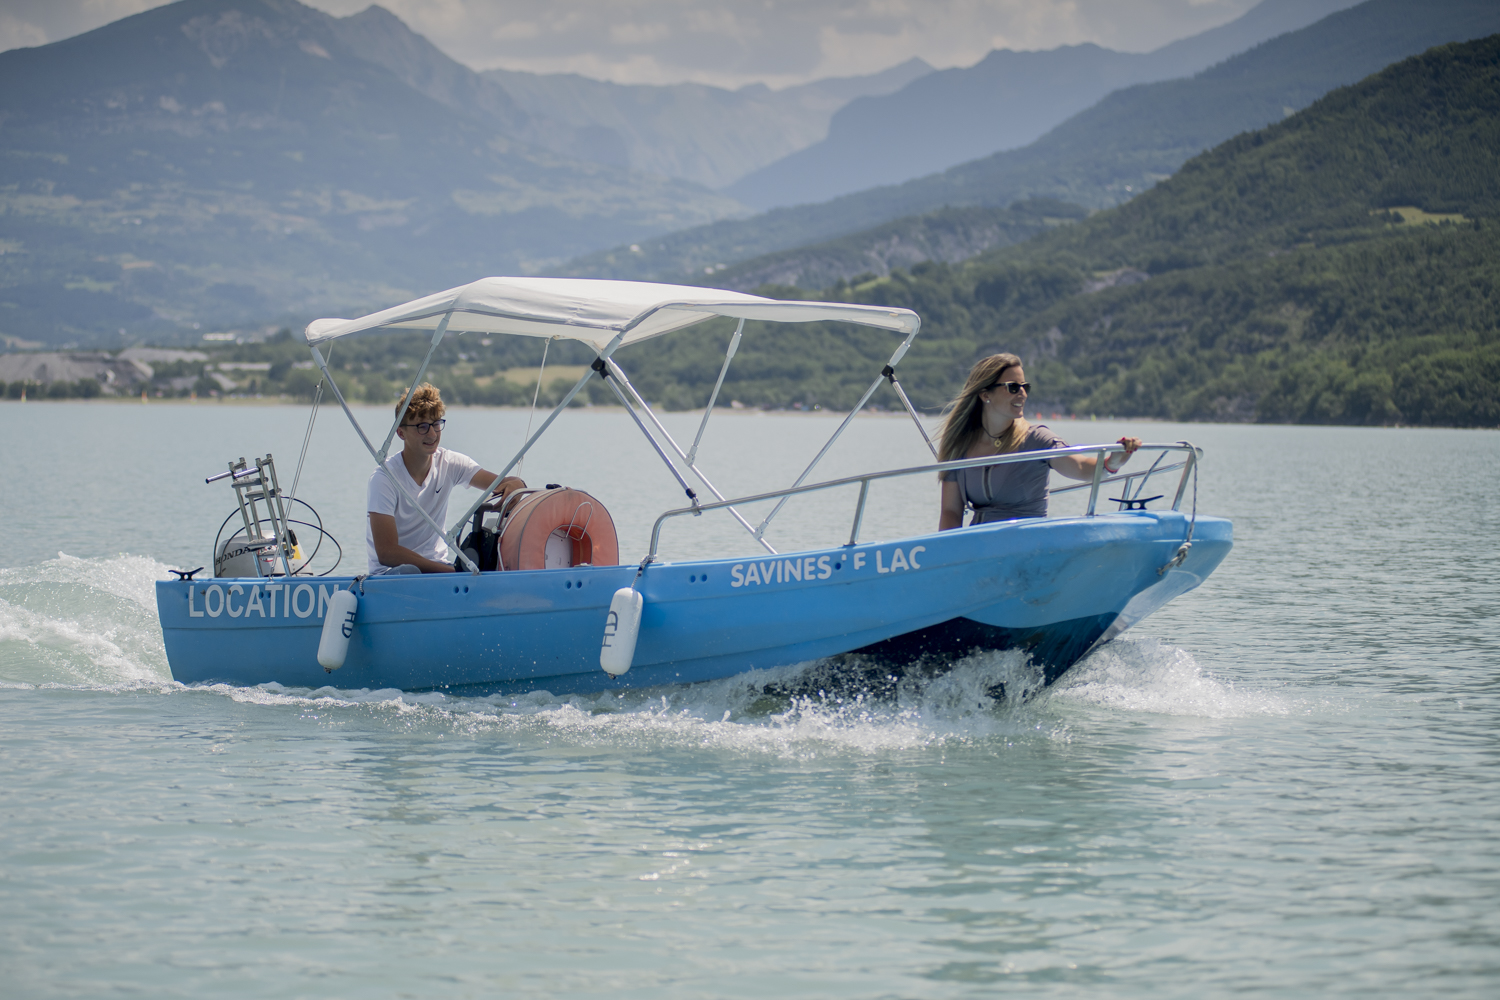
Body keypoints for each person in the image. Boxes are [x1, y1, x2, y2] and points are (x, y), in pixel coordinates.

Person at [937, 354, 1141, 530]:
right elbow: (950, 512)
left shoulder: (1037, 439)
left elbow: (1080, 466)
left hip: (1028, 548)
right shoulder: (959, 446)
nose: (1023, 394)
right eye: (1013, 387)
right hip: (979, 552)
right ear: (985, 394)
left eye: (1025, 387)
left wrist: (1112, 462)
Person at [366, 383, 525, 573]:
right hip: (393, 574)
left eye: (436, 424)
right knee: (411, 571)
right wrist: (449, 572)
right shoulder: (383, 479)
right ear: (401, 433)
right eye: (422, 427)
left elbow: (508, 483)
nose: (432, 434)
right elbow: (386, 552)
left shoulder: (450, 462)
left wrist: (516, 487)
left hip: (439, 570)